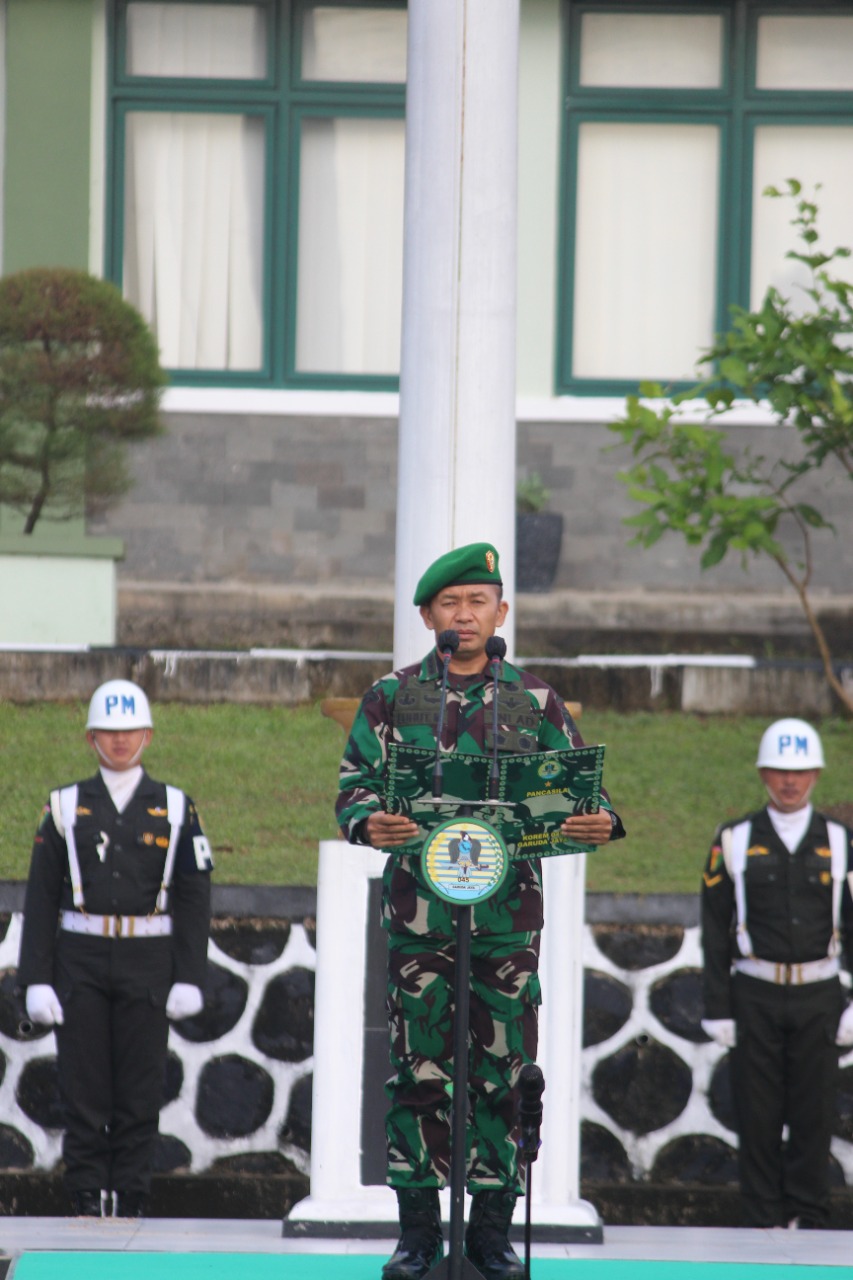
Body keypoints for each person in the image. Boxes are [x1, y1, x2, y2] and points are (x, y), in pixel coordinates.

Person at [336, 542, 624, 1280]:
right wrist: (371, 823)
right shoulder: (392, 698)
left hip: (504, 922)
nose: (462, 616)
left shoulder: (532, 700)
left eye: (476, 602)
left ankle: (490, 1237)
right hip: (420, 922)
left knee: (502, 1071)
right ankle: (418, 1237)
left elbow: (579, 793)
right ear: (427, 615)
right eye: (448, 604)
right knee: (416, 1073)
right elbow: (353, 790)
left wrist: (602, 821)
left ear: (501, 611)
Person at [18, 679, 213, 1219]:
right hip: (78, 956)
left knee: (139, 1084)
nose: (120, 741)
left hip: (147, 960)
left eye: (129, 731)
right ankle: (83, 1191)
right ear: (90, 738)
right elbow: (39, 897)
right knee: (82, 1083)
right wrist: (34, 978)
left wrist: (190, 975)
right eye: (109, 731)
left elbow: (196, 898)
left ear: (147, 735)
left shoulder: (176, 807)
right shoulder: (63, 806)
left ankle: (131, 1191)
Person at [700, 717, 853, 1230]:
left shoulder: (842, 840)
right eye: (780, 771)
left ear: (817, 775)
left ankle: (808, 1216)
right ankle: (760, 1218)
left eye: (801, 771)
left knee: (814, 1113)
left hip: (820, 994)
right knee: (758, 1114)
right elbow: (714, 928)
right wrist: (717, 1008)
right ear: (763, 773)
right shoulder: (735, 838)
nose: (790, 782)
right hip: (755, 993)